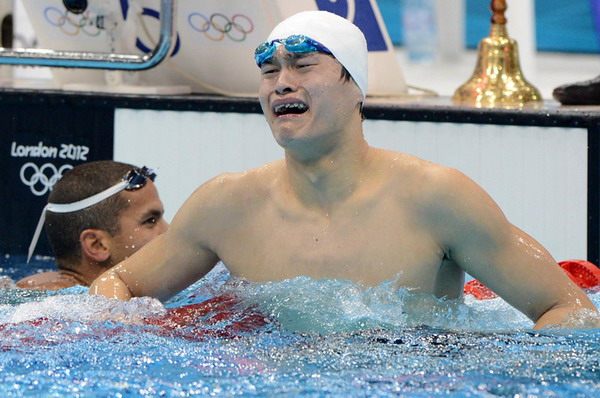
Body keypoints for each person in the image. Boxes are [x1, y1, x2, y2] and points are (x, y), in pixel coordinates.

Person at [90, 11, 598, 329]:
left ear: (357, 87)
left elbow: (568, 309)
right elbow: (116, 286)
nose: (281, 84)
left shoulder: (437, 198)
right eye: (269, 72)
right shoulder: (225, 205)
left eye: (303, 66)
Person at [17, 160, 168, 290]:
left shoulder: (29, 286)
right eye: (150, 221)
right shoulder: (78, 309)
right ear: (97, 244)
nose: (167, 230)